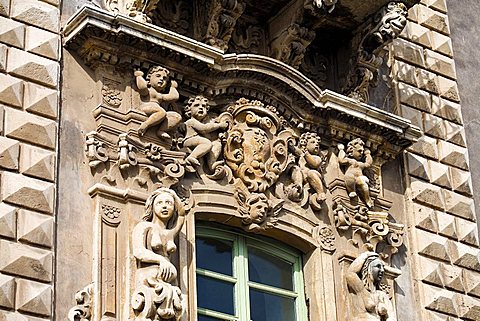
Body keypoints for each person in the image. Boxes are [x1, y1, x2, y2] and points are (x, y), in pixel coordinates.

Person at [346, 252, 396, 321]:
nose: (382, 270)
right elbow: (350, 274)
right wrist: (366, 255)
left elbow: (391, 317)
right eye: (378, 266)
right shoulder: (361, 290)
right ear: (368, 268)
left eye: (382, 267)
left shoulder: (382, 295)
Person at [134, 66, 182, 138]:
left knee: (177, 116)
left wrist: (173, 87)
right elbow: (142, 88)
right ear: (149, 77)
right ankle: (145, 125)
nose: (161, 79)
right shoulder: (149, 91)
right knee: (161, 112)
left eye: (164, 78)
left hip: (158, 111)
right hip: (147, 107)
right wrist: (139, 76)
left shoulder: (160, 95)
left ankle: (161, 130)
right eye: (158, 76)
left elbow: (173, 97)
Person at [183, 95, 228, 168]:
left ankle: (211, 164)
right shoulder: (191, 121)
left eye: (203, 106)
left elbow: (208, 135)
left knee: (216, 144)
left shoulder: (205, 123)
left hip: (199, 140)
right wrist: (219, 125)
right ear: (188, 109)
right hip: (189, 140)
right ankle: (192, 157)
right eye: (196, 105)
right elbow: (203, 129)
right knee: (206, 142)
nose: (201, 108)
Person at [338, 138, 373, 207]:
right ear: (351, 151)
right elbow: (341, 160)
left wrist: (368, 154)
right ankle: (352, 191)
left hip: (359, 178)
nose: (361, 153)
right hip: (351, 177)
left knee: (363, 182)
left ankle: (367, 198)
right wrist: (341, 150)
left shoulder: (361, 164)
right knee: (349, 177)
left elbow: (368, 164)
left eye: (362, 151)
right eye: (359, 151)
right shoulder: (350, 161)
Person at [298, 132, 327, 204]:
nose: (316, 144)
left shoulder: (317, 157)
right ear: (305, 144)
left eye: (317, 143)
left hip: (313, 176)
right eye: (313, 142)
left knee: (311, 173)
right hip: (303, 176)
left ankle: (320, 192)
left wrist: (306, 154)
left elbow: (314, 164)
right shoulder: (302, 155)